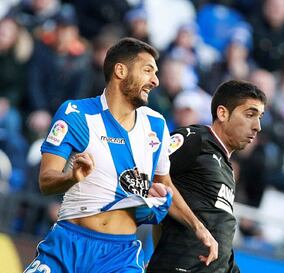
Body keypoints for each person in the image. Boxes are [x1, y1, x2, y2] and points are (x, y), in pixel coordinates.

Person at [24, 37, 217, 273]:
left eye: (156, 73)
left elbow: (165, 184)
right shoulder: (77, 114)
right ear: (120, 70)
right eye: (147, 70)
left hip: (120, 256)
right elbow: (46, 181)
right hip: (68, 245)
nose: (155, 81)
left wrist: (198, 227)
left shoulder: (156, 125)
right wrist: (72, 178)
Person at [147, 80, 267, 273]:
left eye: (260, 117)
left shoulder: (226, 166)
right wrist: (196, 228)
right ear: (222, 113)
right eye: (250, 114)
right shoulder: (194, 139)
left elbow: (214, 226)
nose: (257, 126)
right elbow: (154, 176)